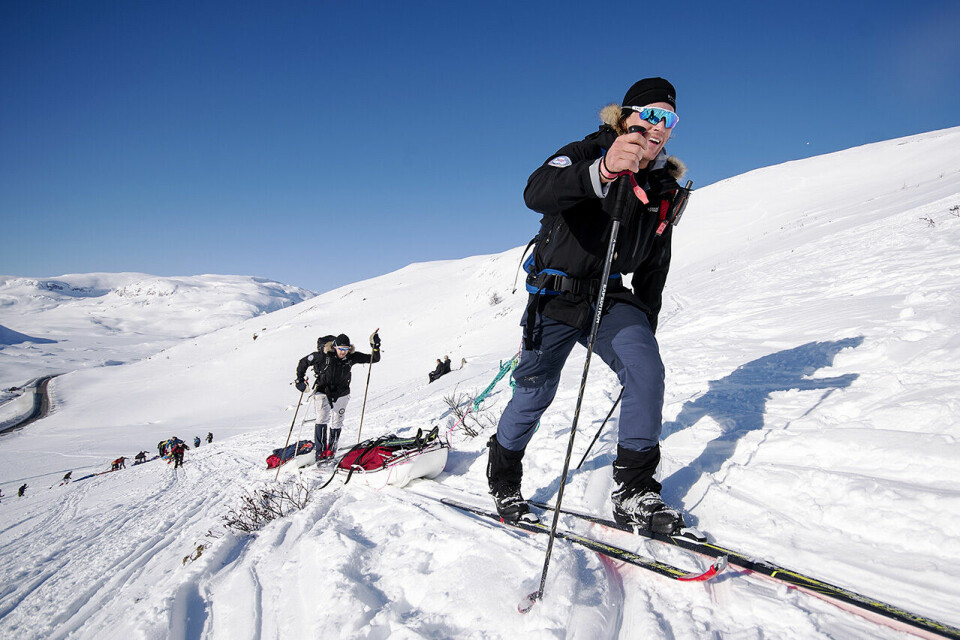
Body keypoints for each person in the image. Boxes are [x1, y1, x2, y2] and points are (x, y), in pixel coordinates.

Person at [487, 78, 690, 534]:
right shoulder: (585, 151)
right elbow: (536, 191)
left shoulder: (664, 188)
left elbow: (656, 261)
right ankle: (503, 478)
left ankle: (635, 490)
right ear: (625, 116)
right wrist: (601, 172)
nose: (657, 126)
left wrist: (648, 320)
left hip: (609, 294)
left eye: (668, 119)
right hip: (556, 294)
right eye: (648, 114)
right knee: (534, 393)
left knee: (645, 368)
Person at [295, 331, 381, 462]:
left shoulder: (351, 357)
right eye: (341, 349)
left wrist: (375, 346)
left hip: (342, 392)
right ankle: (321, 452)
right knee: (322, 418)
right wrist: (299, 381)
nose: (343, 352)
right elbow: (303, 362)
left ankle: (331, 450)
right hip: (323, 390)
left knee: (337, 421)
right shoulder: (323, 356)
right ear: (335, 346)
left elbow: (374, 359)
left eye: (346, 349)